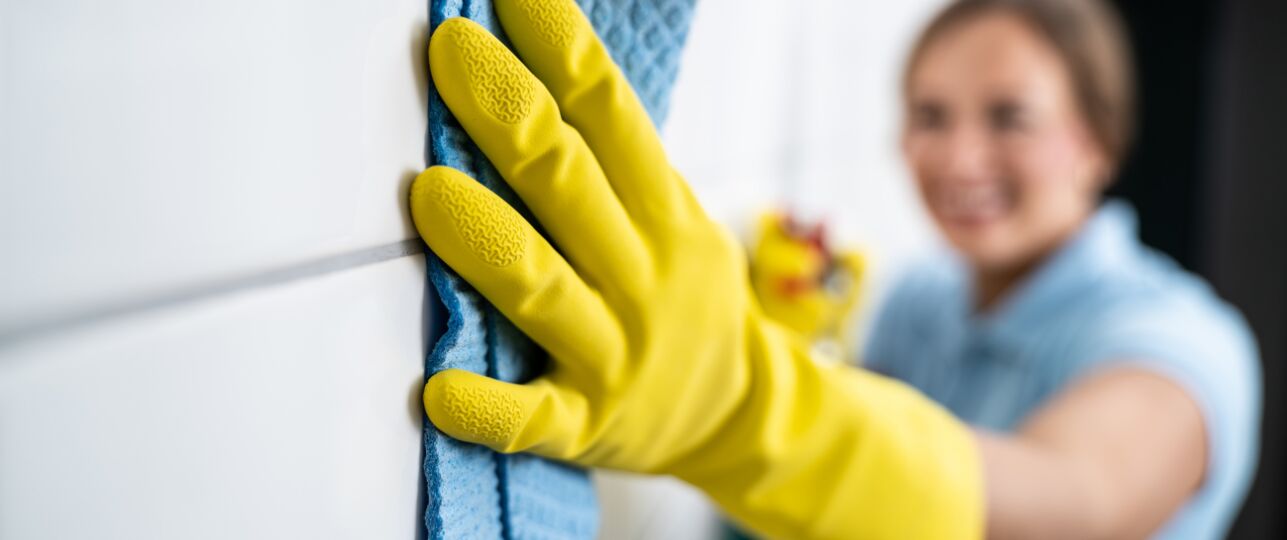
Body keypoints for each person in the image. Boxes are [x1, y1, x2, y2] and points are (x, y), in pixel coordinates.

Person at [409, 0, 1260, 537]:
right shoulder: (922, 304)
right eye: (931, 115)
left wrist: (738, 405)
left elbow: (1078, 505)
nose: (960, 157)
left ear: (1096, 141)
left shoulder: (1179, 338)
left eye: (1009, 118)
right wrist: (784, 333)